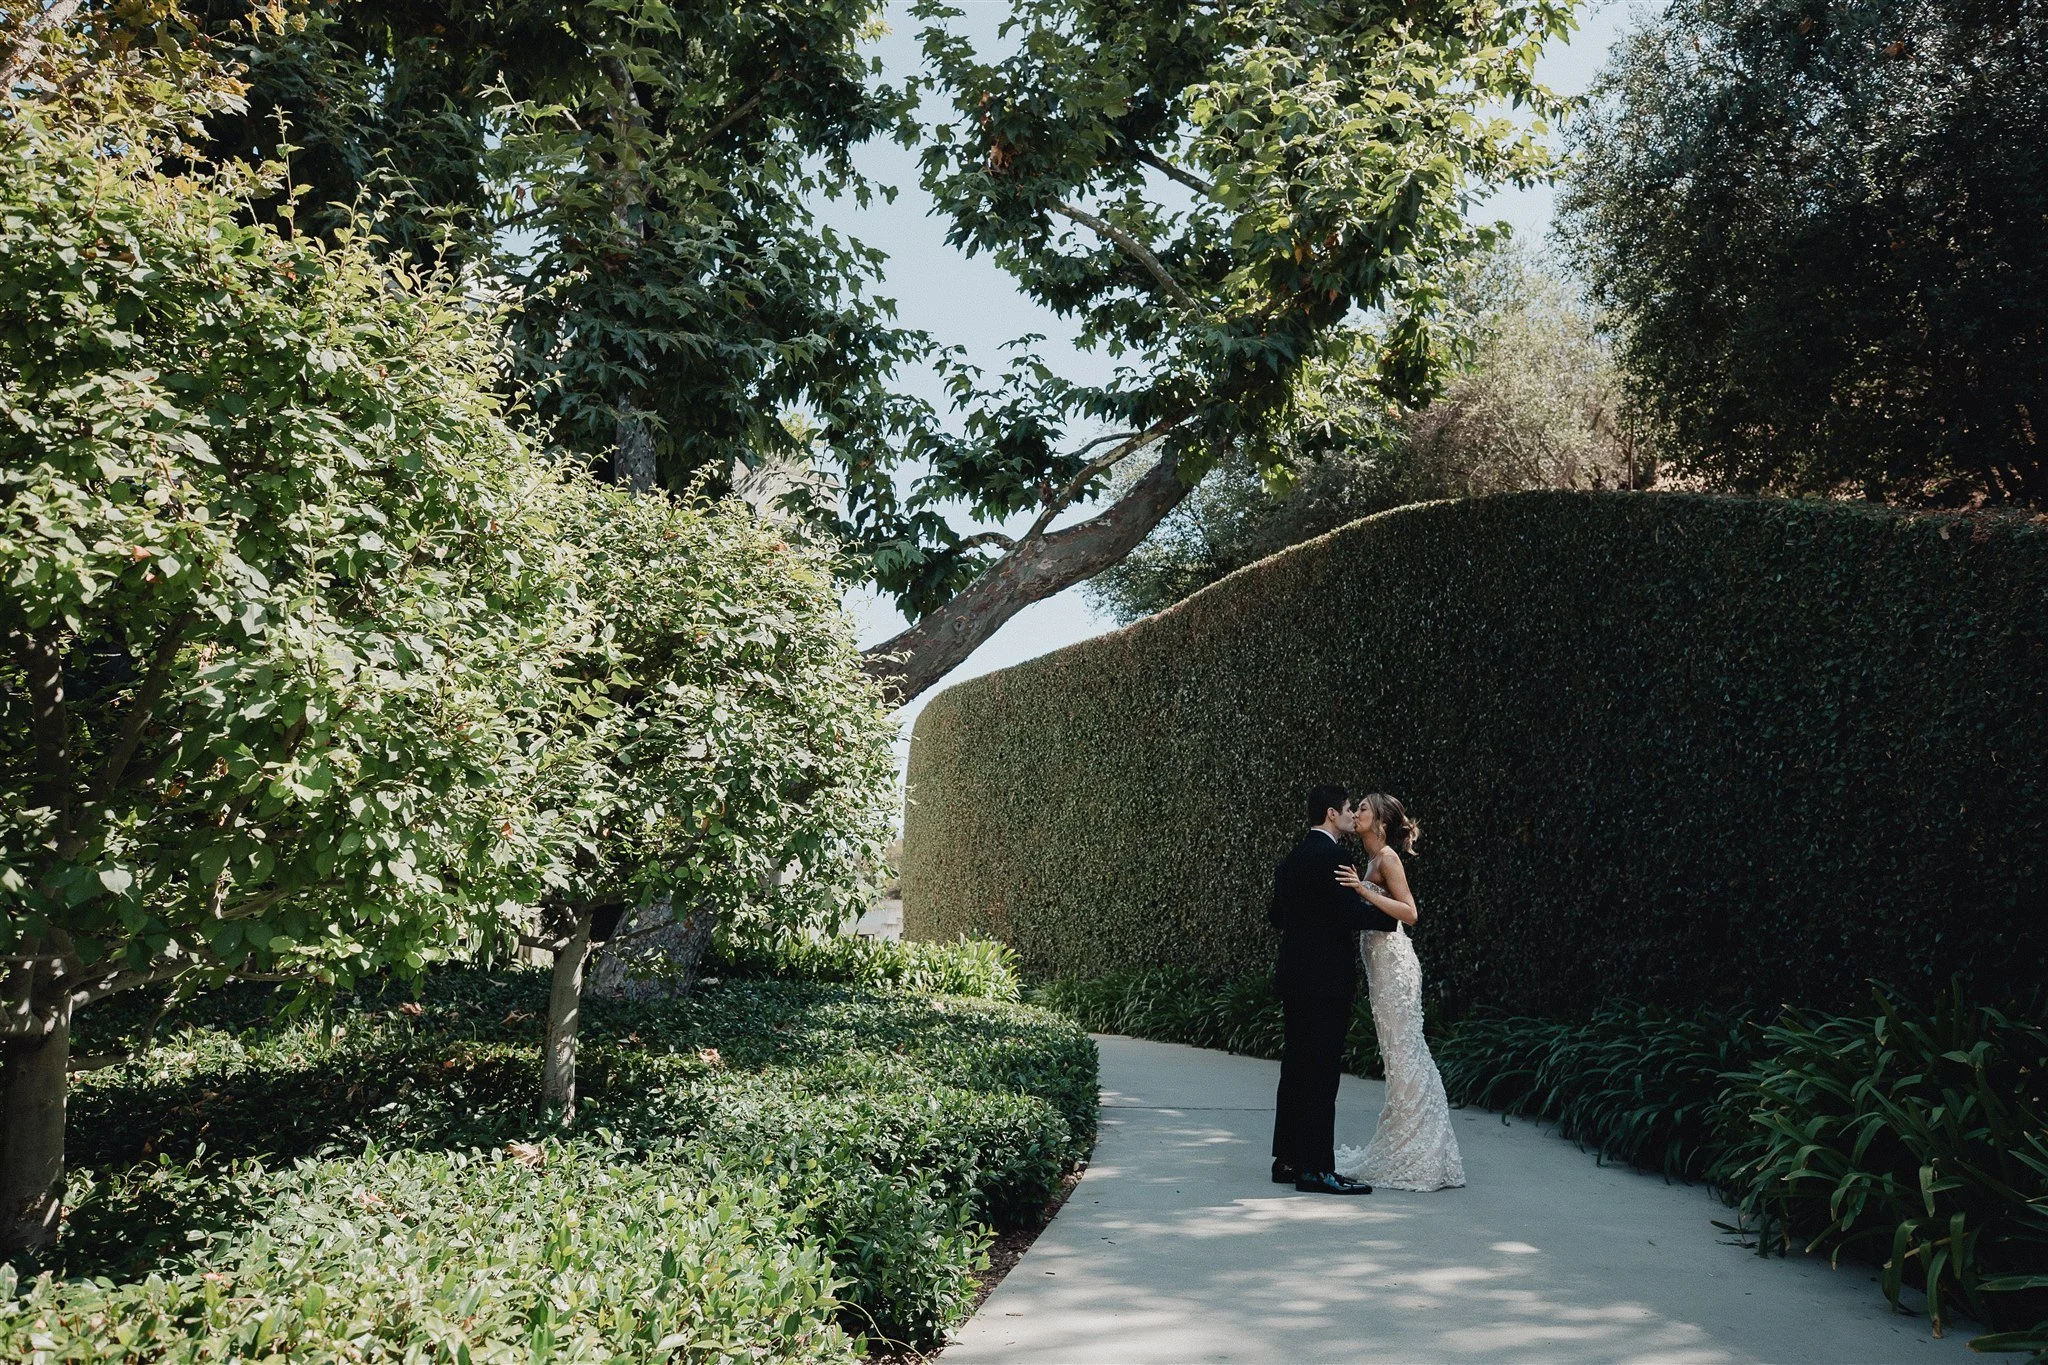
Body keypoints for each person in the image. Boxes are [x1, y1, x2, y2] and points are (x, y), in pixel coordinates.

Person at [1268, 783, 1398, 1194]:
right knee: (1322, 1074)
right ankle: (1316, 1170)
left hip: (1294, 979)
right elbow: (1348, 914)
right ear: (1330, 814)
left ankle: (1286, 1160)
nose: (1350, 815)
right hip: (1326, 983)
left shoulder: (1290, 861)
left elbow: (1277, 916)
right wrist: (1389, 916)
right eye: (1346, 809)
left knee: (1294, 1069)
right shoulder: (1337, 858)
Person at [1333, 793, 1465, 1192]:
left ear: (1381, 823)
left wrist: (1362, 890)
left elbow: (1410, 912)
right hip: (1380, 969)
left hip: (1395, 968)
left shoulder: (1387, 858)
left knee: (1407, 1052)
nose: (1355, 813)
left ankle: (1422, 1151)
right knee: (1397, 1055)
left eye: (1364, 810)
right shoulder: (1370, 861)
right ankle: (1406, 1141)